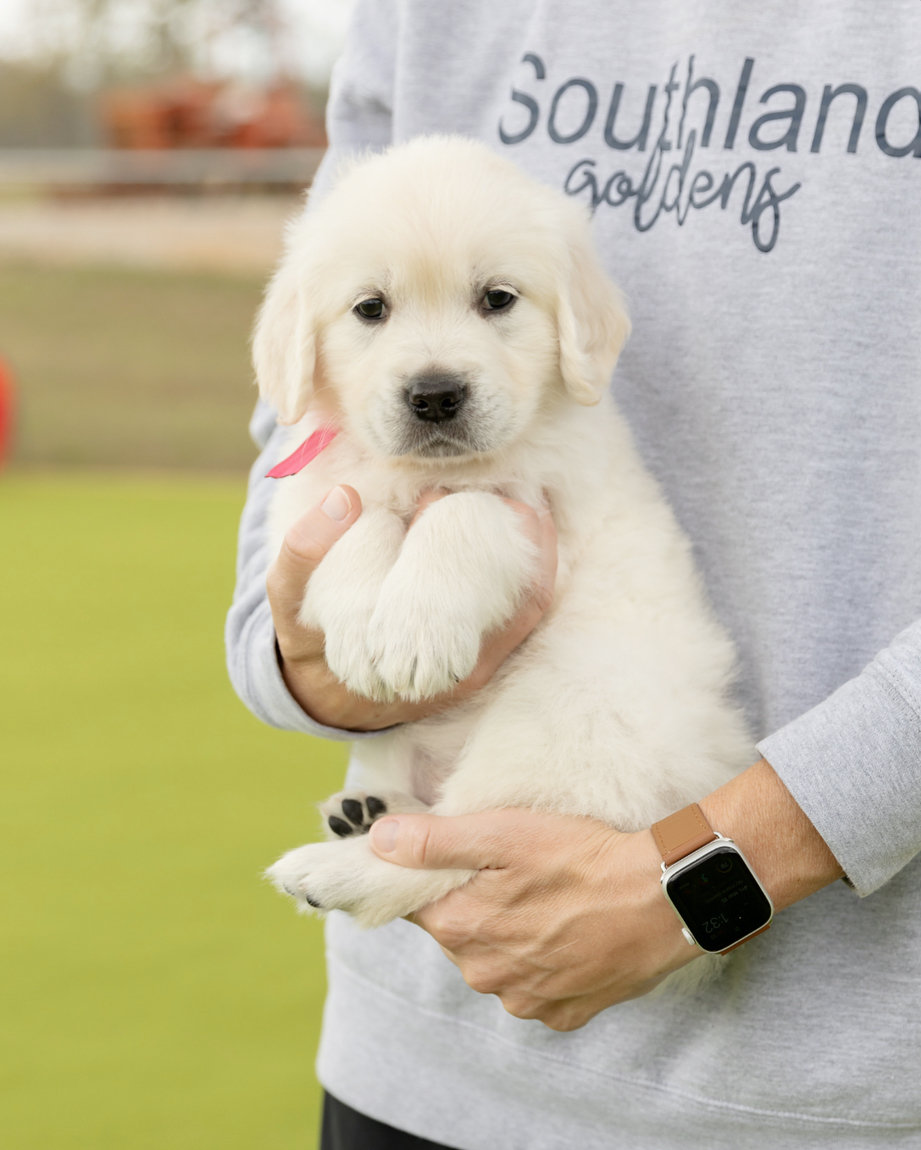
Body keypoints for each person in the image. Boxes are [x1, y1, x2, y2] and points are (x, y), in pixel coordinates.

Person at [226, 3, 921, 1146]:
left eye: (493, 303)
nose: (436, 365)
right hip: (422, 1060)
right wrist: (305, 649)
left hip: (833, 1094)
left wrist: (722, 870)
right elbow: (296, 430)